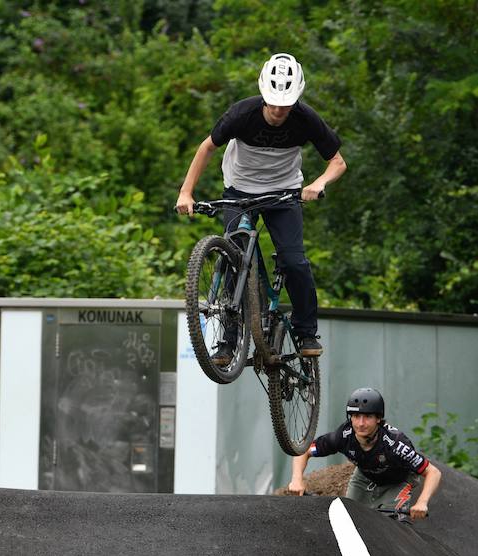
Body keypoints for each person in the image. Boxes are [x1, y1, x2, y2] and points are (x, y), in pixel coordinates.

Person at [175, 52, 346, 361]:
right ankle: (228, 341)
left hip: (283, 195)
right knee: (232, 257)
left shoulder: (306, 119)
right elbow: (207, 148)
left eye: (286, 103)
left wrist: (319, 183)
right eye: (273, 101)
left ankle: (306, 331)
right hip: (239, 190)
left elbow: (337, 162)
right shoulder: (242, 114)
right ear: (263, 94)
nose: (279, 109)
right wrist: (186, 192)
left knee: (294, 261)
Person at [288, 387, 442, 519]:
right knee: (350, 518)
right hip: (364, 477)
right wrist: (296, 480)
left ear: (379, 419)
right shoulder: (343, 436)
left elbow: (433, 472)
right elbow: (303, 451)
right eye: (356, 416)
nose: (361, 423)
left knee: (391, 525)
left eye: (368, 416)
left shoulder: (396, 445)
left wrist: (422, 502)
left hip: (398, 481)